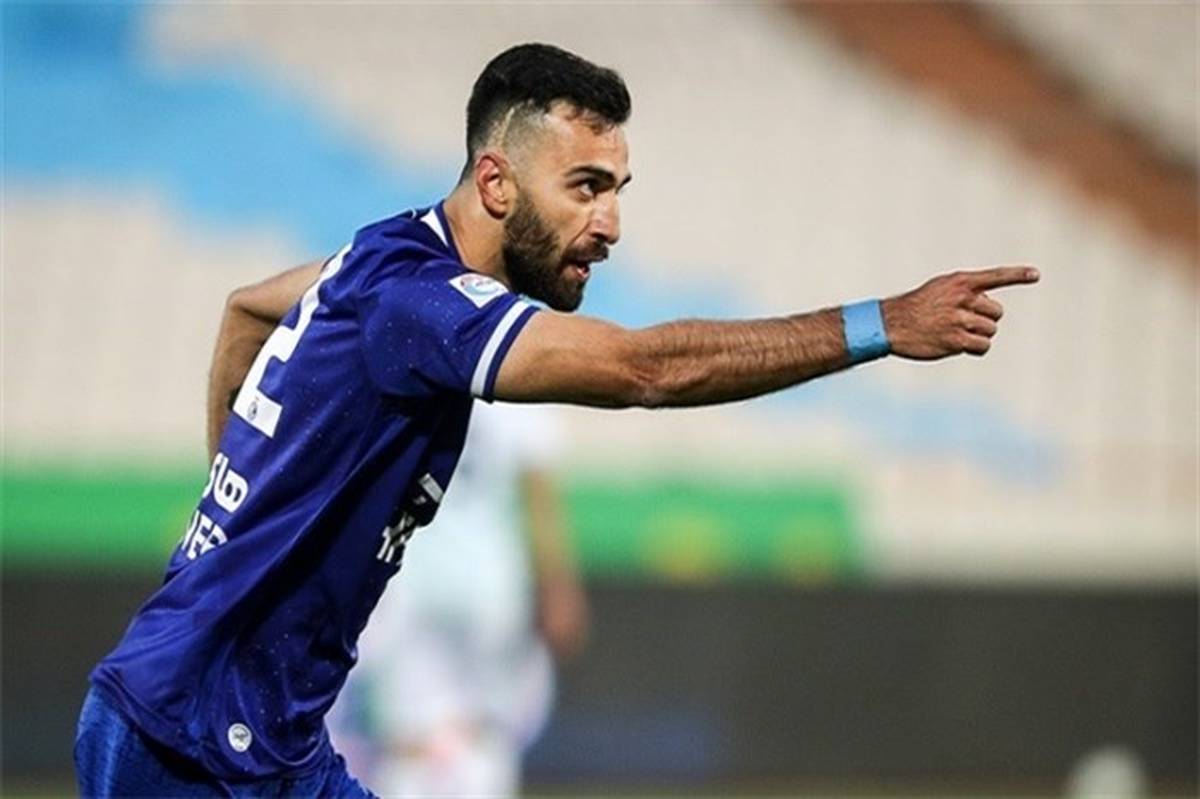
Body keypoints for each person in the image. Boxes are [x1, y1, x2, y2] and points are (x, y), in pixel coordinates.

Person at [75, 42, 1038, 797]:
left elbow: (246, 309)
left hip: (263, 739)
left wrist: (230, 511)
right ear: (497, 183)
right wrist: (881, 324)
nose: (610, 224)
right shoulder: (421, 302)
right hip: (189, 741)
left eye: (617, 190)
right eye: (586, 187)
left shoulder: (379, 259)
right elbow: (647, 370)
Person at [329, 401, 583, 797]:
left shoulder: (411, 371)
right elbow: (537, 481)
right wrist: (557, 585)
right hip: (492, 586)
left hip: (409, 582)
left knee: (408, 735)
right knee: (484, 729)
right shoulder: (520, 377)